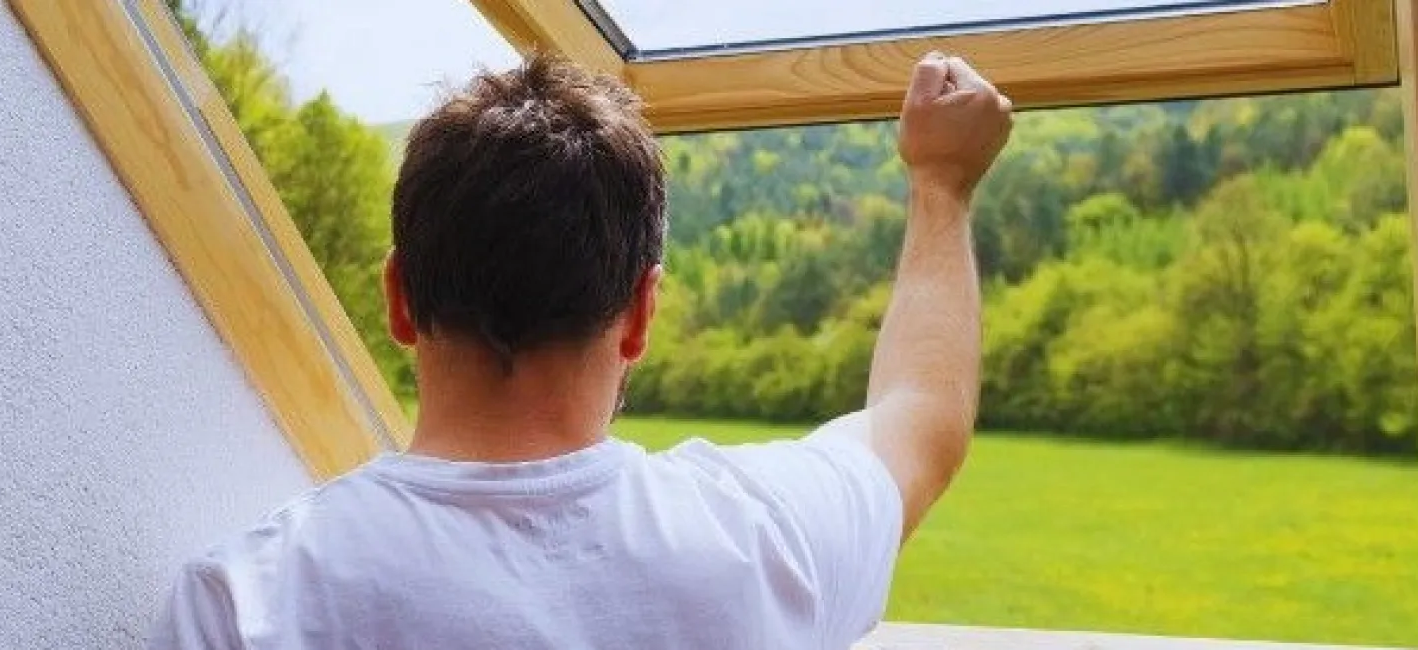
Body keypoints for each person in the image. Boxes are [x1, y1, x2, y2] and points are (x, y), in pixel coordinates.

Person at [148, 51, 1011, 650]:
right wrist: (941, 185)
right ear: (640, 313)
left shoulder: (249, 604)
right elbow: (922, 419)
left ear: (400, 299)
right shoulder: (761, 537)